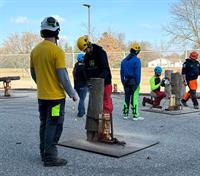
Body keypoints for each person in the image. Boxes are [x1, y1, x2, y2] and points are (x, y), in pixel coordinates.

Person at [30, 16, 77, 167]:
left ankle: (44, 152)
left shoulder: (35, 51)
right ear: (56, 32)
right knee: (54, 125)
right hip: (55, 99)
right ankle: (50, 157)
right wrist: (72, 93)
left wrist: (42, 84)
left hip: (42, 98)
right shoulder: (57, 51)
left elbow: (33, 73)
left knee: (44, 124)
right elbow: (63, 76)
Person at [77, 35, 113, 141]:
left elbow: (105, 69)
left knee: (105, 105)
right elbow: (85, 70)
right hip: (94, 84)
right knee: (94, 106)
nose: (86, 52)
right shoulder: (87, 57)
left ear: (89, 44)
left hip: (105, 83)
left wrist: (99, 80)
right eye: (84, 51)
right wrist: (88, 80)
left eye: (86, 49)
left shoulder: (100, 53)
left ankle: (106, 131)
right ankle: (93, 131)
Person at [120, 43, 143, 120]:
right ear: (137, 51)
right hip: (134, 81)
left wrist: (123, 82)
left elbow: (121, 72)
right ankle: (135, 115)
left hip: (126, 81)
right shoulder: (137, 60)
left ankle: (125, 114)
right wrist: (137, 83)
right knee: (134, 98)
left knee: (127, 97)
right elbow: (137, 73)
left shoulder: (124, 61)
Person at [73, 53, 88, 117]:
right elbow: (86, 76)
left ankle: (83, 111)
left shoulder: (76, 65)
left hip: (77, 86)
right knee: (82, 99)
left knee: (82, 99)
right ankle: (80, 113)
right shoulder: (83, 66)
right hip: (83, 85)